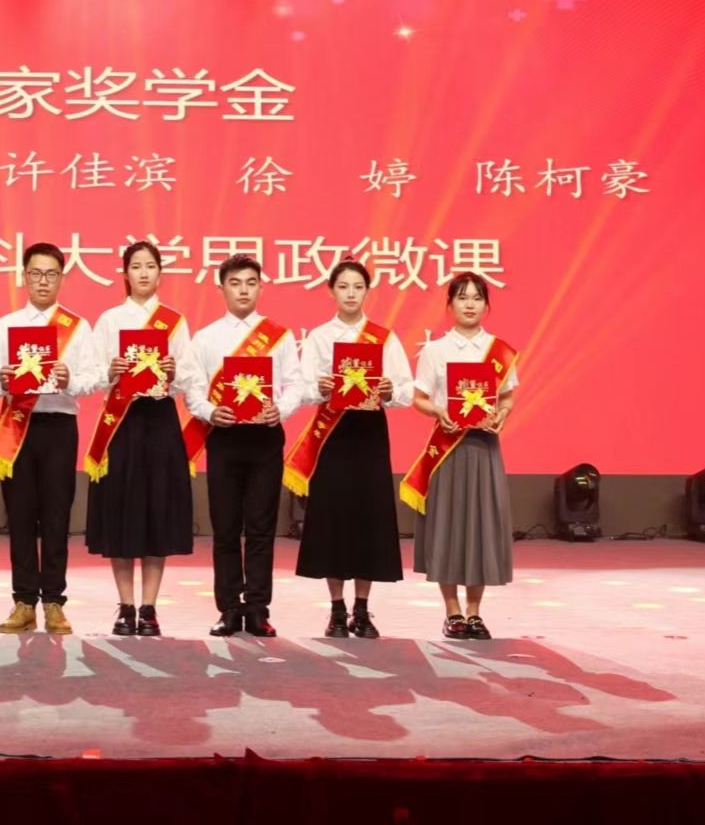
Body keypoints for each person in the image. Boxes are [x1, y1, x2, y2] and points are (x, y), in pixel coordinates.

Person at [0, 242, 102, 635]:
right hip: (18, 427)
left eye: (51, 274)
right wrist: (1, 380)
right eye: (35, 273)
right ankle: (23, 602)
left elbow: (94, 378)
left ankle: (53, 602)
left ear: (61, 278)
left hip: (59, 426)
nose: (43, 281)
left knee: (55, 514)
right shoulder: (6, 325)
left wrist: (70, 379)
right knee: (19, 515)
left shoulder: (77, 327)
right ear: (24, 276)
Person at [289, 260, 412, 639]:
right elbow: (303, 388)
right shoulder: (319, 338)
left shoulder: (384, 338)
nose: (351, 294)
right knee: (334, 518)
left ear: (367, 291)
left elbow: (406, 389)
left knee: (368, 517)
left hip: (369, 433)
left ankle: (362, 608)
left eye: (358, 287)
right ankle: (337, 609)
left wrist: (390, 391)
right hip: (334, 437)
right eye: (343, 287)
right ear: (331, 291)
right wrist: (320, 388)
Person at [182, 254, 301, 638]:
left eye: (251, 282)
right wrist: (209, 411)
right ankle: (229, 608)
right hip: (224, 438)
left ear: (261, 287)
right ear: (222, 288)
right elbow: (193, 388)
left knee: (262, 527)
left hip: (265, 438)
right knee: (226, 527)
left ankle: (258, 608)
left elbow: (295, 384)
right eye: (235, 283)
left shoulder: (279, 336)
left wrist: (280, 409)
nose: (244, 290)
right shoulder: (206, 338)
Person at [86, 241, 195, 637]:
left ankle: (149, 608)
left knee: (156, 512)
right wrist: (110, 371)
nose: (144, 273)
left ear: (160, 272)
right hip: (122, 424)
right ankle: (125, 605)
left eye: (151, 266)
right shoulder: (110, 320)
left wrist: (174, 371)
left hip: (161, 421)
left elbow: (189, 379)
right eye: (136, 266)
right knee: (122, 511)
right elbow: (91, 375)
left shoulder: (174, 322)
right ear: (125, 273)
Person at [409, 272, 519, 641]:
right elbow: (419, 398)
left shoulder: (500, 350)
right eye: (462, 297)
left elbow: (507, 396)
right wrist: (438, 411)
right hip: (447, 450)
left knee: (480, 527)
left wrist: (502, 414)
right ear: (450, 304)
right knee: (448, 527)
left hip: (483, 449)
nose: (469, 304)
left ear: (486, 305)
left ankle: (474, 612)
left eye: (476, 298)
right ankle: (452, 612)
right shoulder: (435, 351)